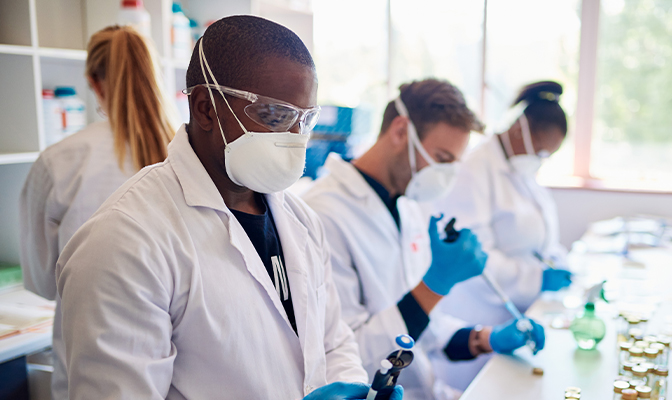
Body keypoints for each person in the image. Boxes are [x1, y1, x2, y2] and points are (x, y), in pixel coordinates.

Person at [53, 16, 401, 400]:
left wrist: (352, 390)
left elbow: (334, 342)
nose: (294, 139)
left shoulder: (301, 221)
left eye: (304, 120)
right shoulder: (125, 240)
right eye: (275, 116)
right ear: (205, 107)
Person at [302, 79, 546, 400]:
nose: (446, 174)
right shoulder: (324, 214)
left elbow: (421, 326)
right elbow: (348, 353)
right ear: (401, 131)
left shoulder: (409, 203)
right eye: (442, 158)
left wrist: (485, 338)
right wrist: (434, 286)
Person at [19, 25, 177, 400]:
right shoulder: (188, 155)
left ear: (93, 81)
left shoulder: (61, 161)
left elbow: (44, 282)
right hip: (180, 372)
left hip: (88, 369)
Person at [427, 81, 573, 390]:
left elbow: (540, 234)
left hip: (517, 312)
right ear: (520, 128)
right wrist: (534, 278)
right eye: (541, 150)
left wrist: (555, 262)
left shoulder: (521, 170)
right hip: (479, 313)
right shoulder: (473, 169)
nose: (541, 158)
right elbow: (475, 255)